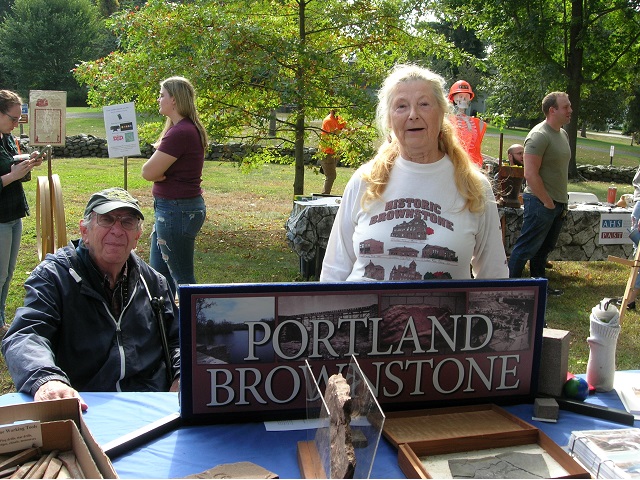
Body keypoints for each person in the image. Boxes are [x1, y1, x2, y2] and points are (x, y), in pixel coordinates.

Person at [319, 64, 508, 282]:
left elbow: (494, 277)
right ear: (389, 119)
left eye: (424, 104)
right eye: (401, 106)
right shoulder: (365, 181)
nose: (413, 115)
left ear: (442, 113)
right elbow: (334, 272)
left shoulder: (474, 187)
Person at [1, 188, 180, 411]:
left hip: (150, 404)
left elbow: (179, 339)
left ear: (136, 237)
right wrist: (47, 379)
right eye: (106, 220)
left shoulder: (153, 281)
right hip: (85, 405)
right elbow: (27, 334)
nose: (117, 230)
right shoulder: (54, 277)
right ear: (85, 231)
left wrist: (183, 376)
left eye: (127, 222)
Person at [142, 76, 208, 300]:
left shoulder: (181, 132)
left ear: (175, 100)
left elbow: (148, 172)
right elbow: (154, 172)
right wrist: (160, 175)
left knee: (183, 281)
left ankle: (200, 329)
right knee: (159, 278)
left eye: (162, 95)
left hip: (176, 211)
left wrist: (160, 175)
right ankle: (167, 329)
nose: (159, 99)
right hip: (176, 210)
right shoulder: (185, 129)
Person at [507, 92, 572, 295]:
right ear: (552, 110)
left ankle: (539, 287)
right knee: (525, 248)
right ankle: (510, 289)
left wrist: (559, 203)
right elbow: (530, 173)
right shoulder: (539, 136)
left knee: (543, 250)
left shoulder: (563, 134)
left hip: (558, 203)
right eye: (566, 107)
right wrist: (548, 203)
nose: (570, 110)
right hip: (541, 202)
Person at [0, 89, 43, 337]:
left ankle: (0, 320)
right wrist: (11, 176)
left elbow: (14, 167)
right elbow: (8, 175)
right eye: (12, 119)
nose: (16, 124)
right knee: (0, 274)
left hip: (13, 213)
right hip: (1, 218)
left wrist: (28, 161)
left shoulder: (7, 137)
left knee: (7, 274)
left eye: (19, 119)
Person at [448, 80, 487, 168]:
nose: (463, 99)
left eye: (466, 96)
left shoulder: (479, 124)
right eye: (460, 96)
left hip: (474, 167)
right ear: (453, 98)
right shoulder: (446, 121)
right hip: (452, 165)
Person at [318, 109, 347, 194]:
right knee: (331, 176)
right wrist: (345, 132)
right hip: (327, 152)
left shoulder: (339, 119)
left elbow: (347, 128)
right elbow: (334, 135)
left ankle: (324, 169)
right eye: (335, 109)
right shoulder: (328, 120)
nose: (337, 110)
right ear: (331, 110)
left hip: (334, 152)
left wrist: (354, 130)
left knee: (330, 175)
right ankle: (324, 196)